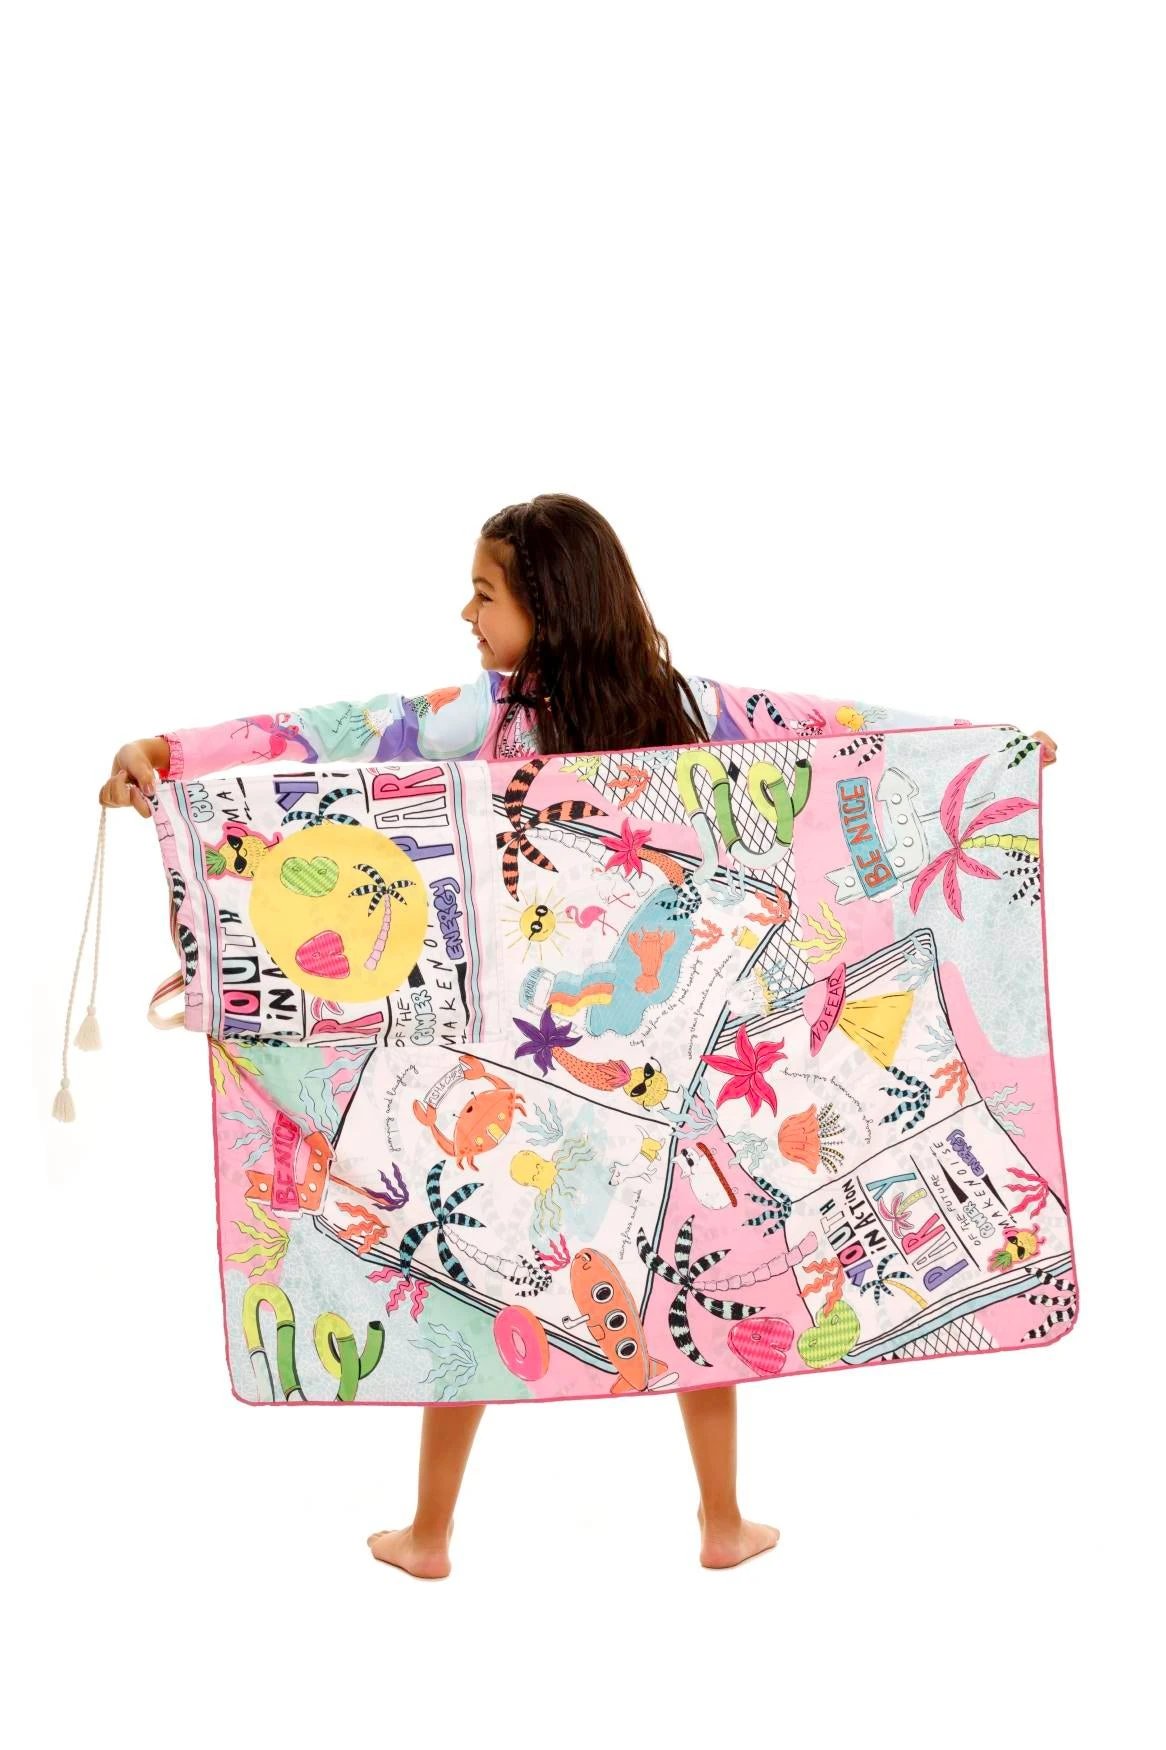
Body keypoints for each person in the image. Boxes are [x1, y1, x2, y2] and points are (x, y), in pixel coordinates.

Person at [101, 492, 1058, 1576]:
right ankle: (710, 1523)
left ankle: (437, 1534)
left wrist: (998, 752)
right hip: (594, 1052)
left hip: (571, 1047)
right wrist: (168, 753)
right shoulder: (661, 706)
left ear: (546, 609)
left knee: (496, 1275)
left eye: (484, 594)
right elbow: (838, 729)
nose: (466, 614)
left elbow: (342, 732)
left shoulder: (518, 713)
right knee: (663, 1281)